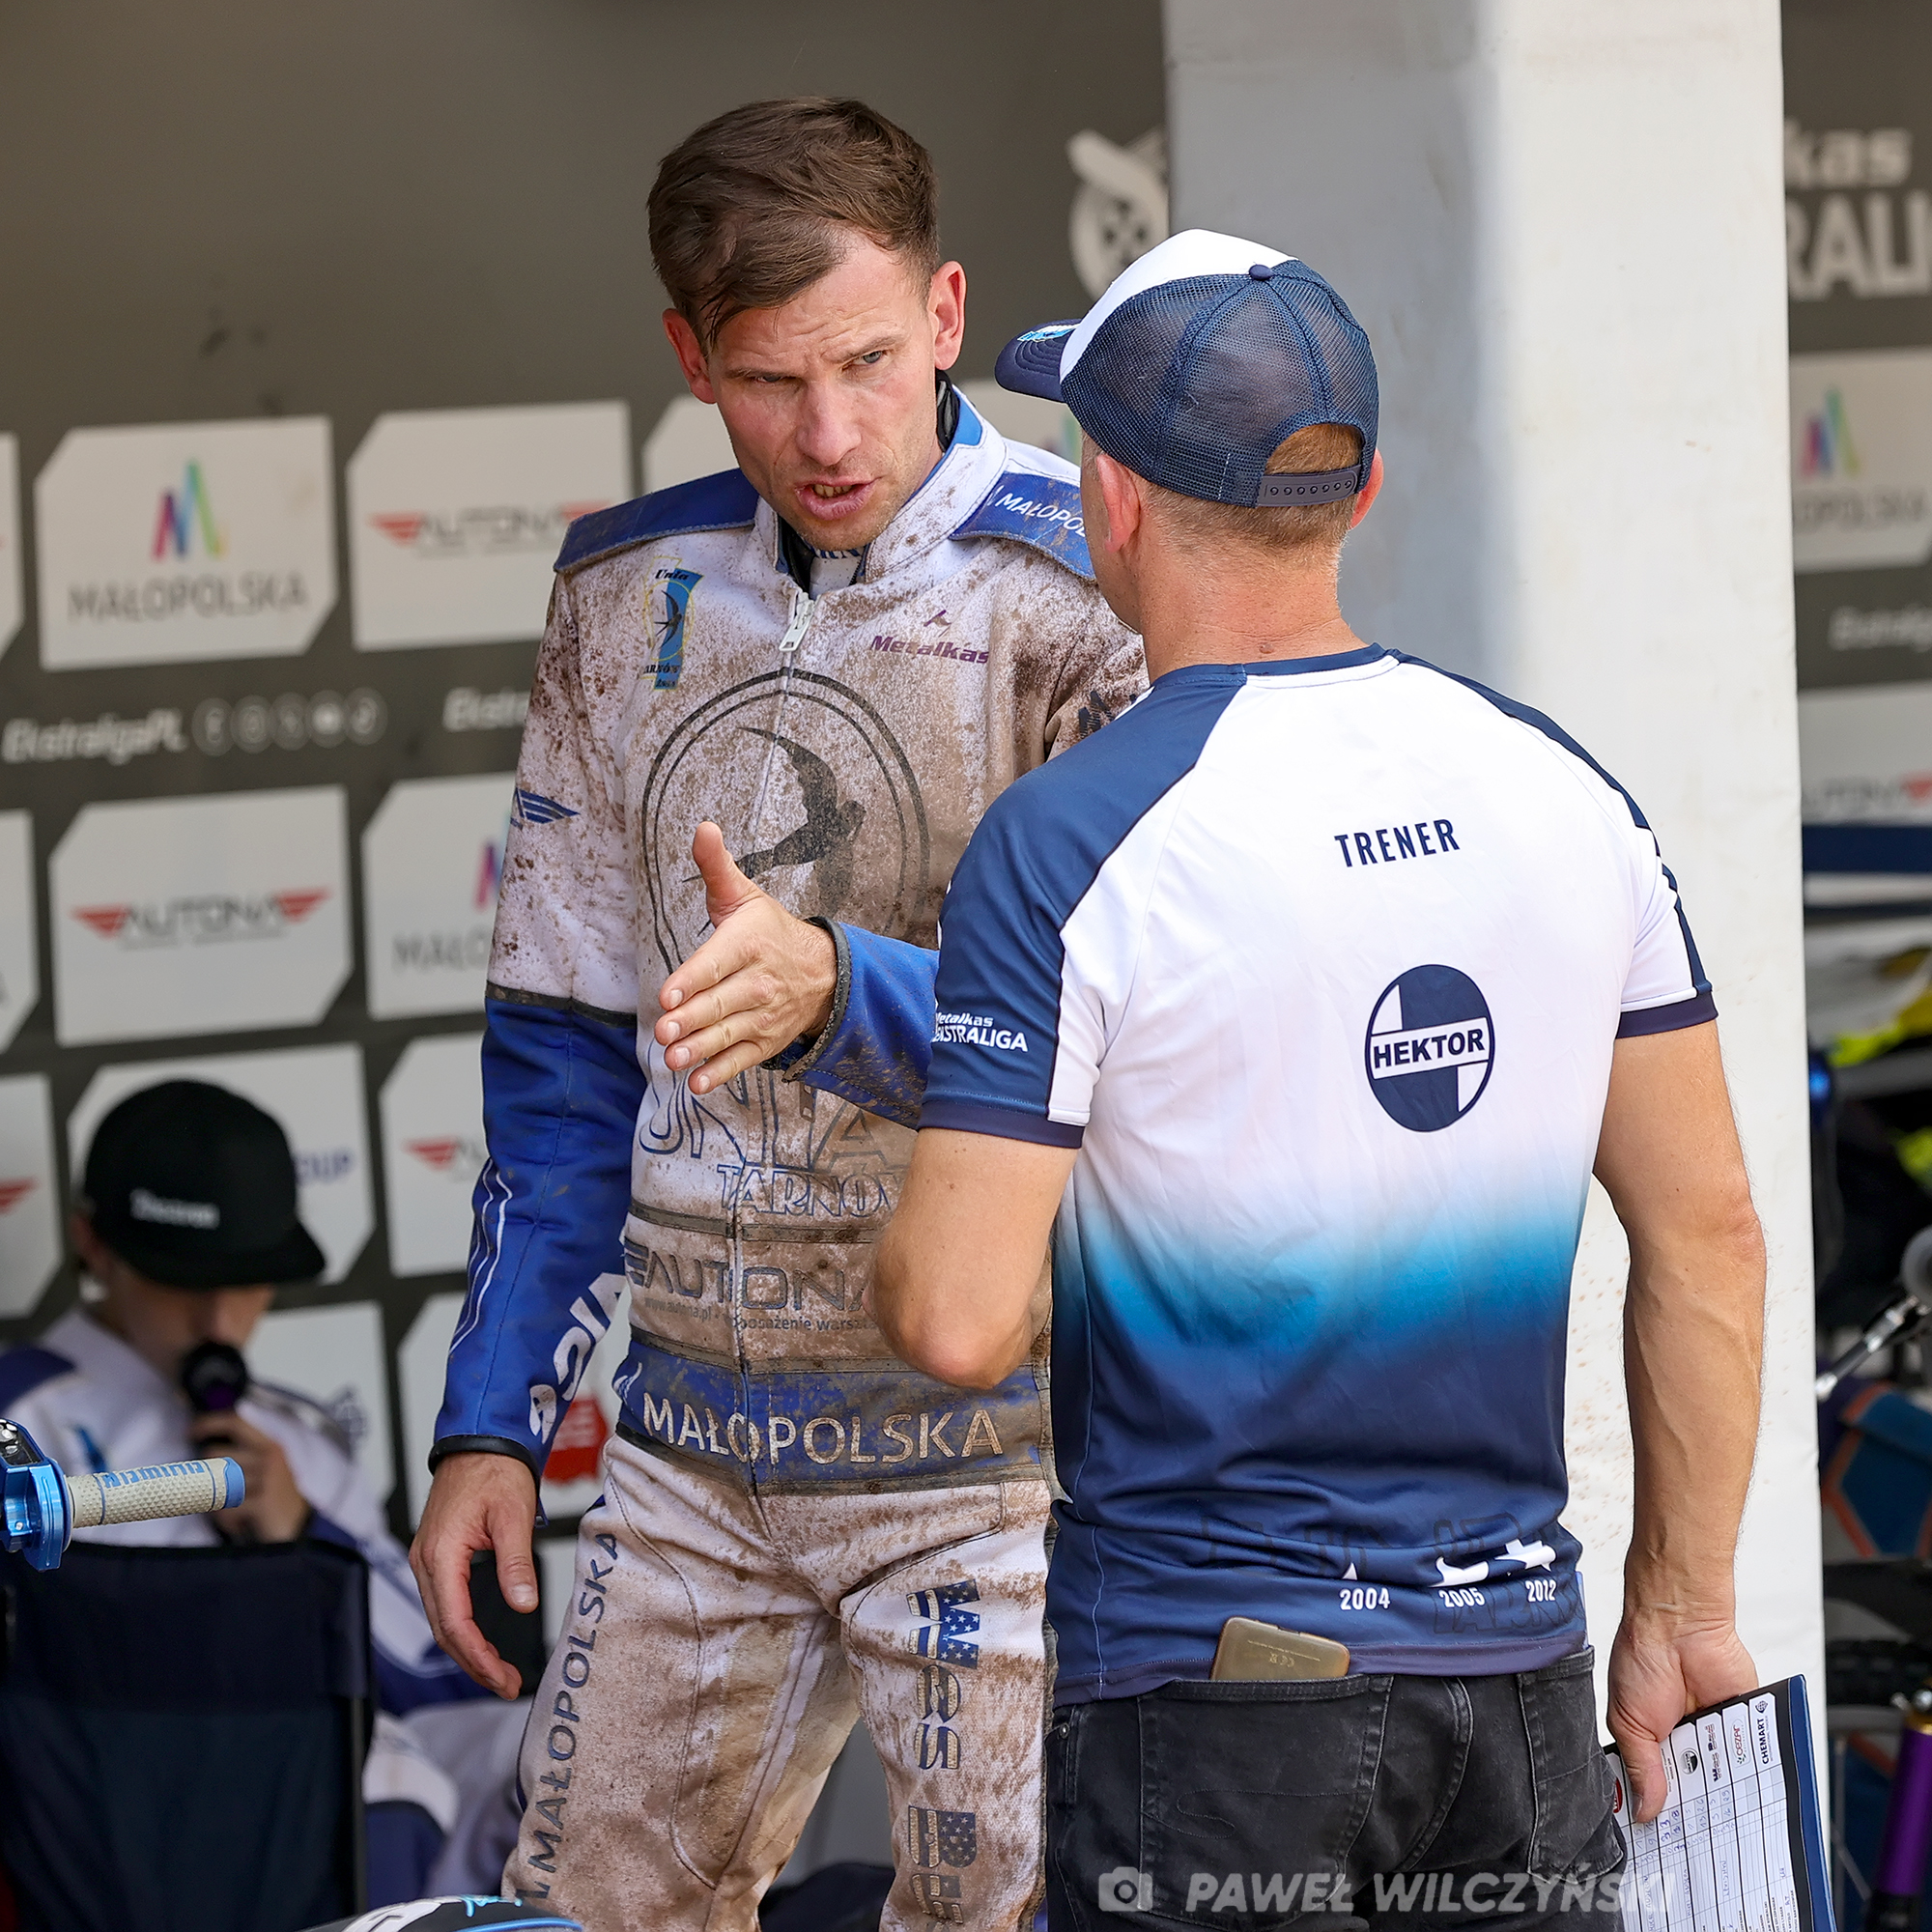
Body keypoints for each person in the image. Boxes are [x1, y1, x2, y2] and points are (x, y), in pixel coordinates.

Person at [860, 230, 1769, 1929]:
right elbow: (1708, 1231)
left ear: (1114, 500)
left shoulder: (1071, 838)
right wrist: (1683, 1608)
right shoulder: (1566, 791)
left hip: (1214, 1696)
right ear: (1361, 493)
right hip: (1521, 1680)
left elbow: (955, 1319)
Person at [409, 98, 1145, 1931]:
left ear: (949, 312)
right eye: (768, 380)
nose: (828, 435)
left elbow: (1161, 1044)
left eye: (869, 363)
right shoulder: (618, 589)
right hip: (693, 1455)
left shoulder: (1086, 589)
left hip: (1001, 1454)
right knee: (583, 1919)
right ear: (691, 358)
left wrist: (844, 993)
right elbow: (563, 1054)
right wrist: (491, 1422)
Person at [0, 1079, 516, 1901]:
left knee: (551, 1750)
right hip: (117, 1803)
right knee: (382, 1776)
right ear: (92, 1245)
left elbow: (443, 1680)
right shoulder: (16, 1418)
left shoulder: (297, 1440)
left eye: (245, 1280)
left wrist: (303, 1534)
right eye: (181, 1280)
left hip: (330, 1774)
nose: (217, 1320)